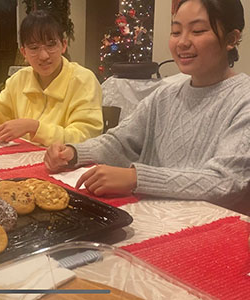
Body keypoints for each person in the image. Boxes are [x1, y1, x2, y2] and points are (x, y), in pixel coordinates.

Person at [44, 0, 250, 208]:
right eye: (176, 32)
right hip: (155, 215)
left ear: (231, 38)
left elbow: (226, 181)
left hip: (217, 229)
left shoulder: (244, 99)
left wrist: (136, 179)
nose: (182, 42)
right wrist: (74, 152)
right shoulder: (165, 96)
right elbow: (120, 141)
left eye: (197, 31)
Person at [0, 10, 103, 147]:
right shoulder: (19, 79)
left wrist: (34, 127)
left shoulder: (83, 80)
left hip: (65, 164)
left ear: (63, 45)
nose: (44, 55)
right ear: (24, 52)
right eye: (34, 48)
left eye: (51, 45)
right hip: (22, 159)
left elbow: (86, 137)